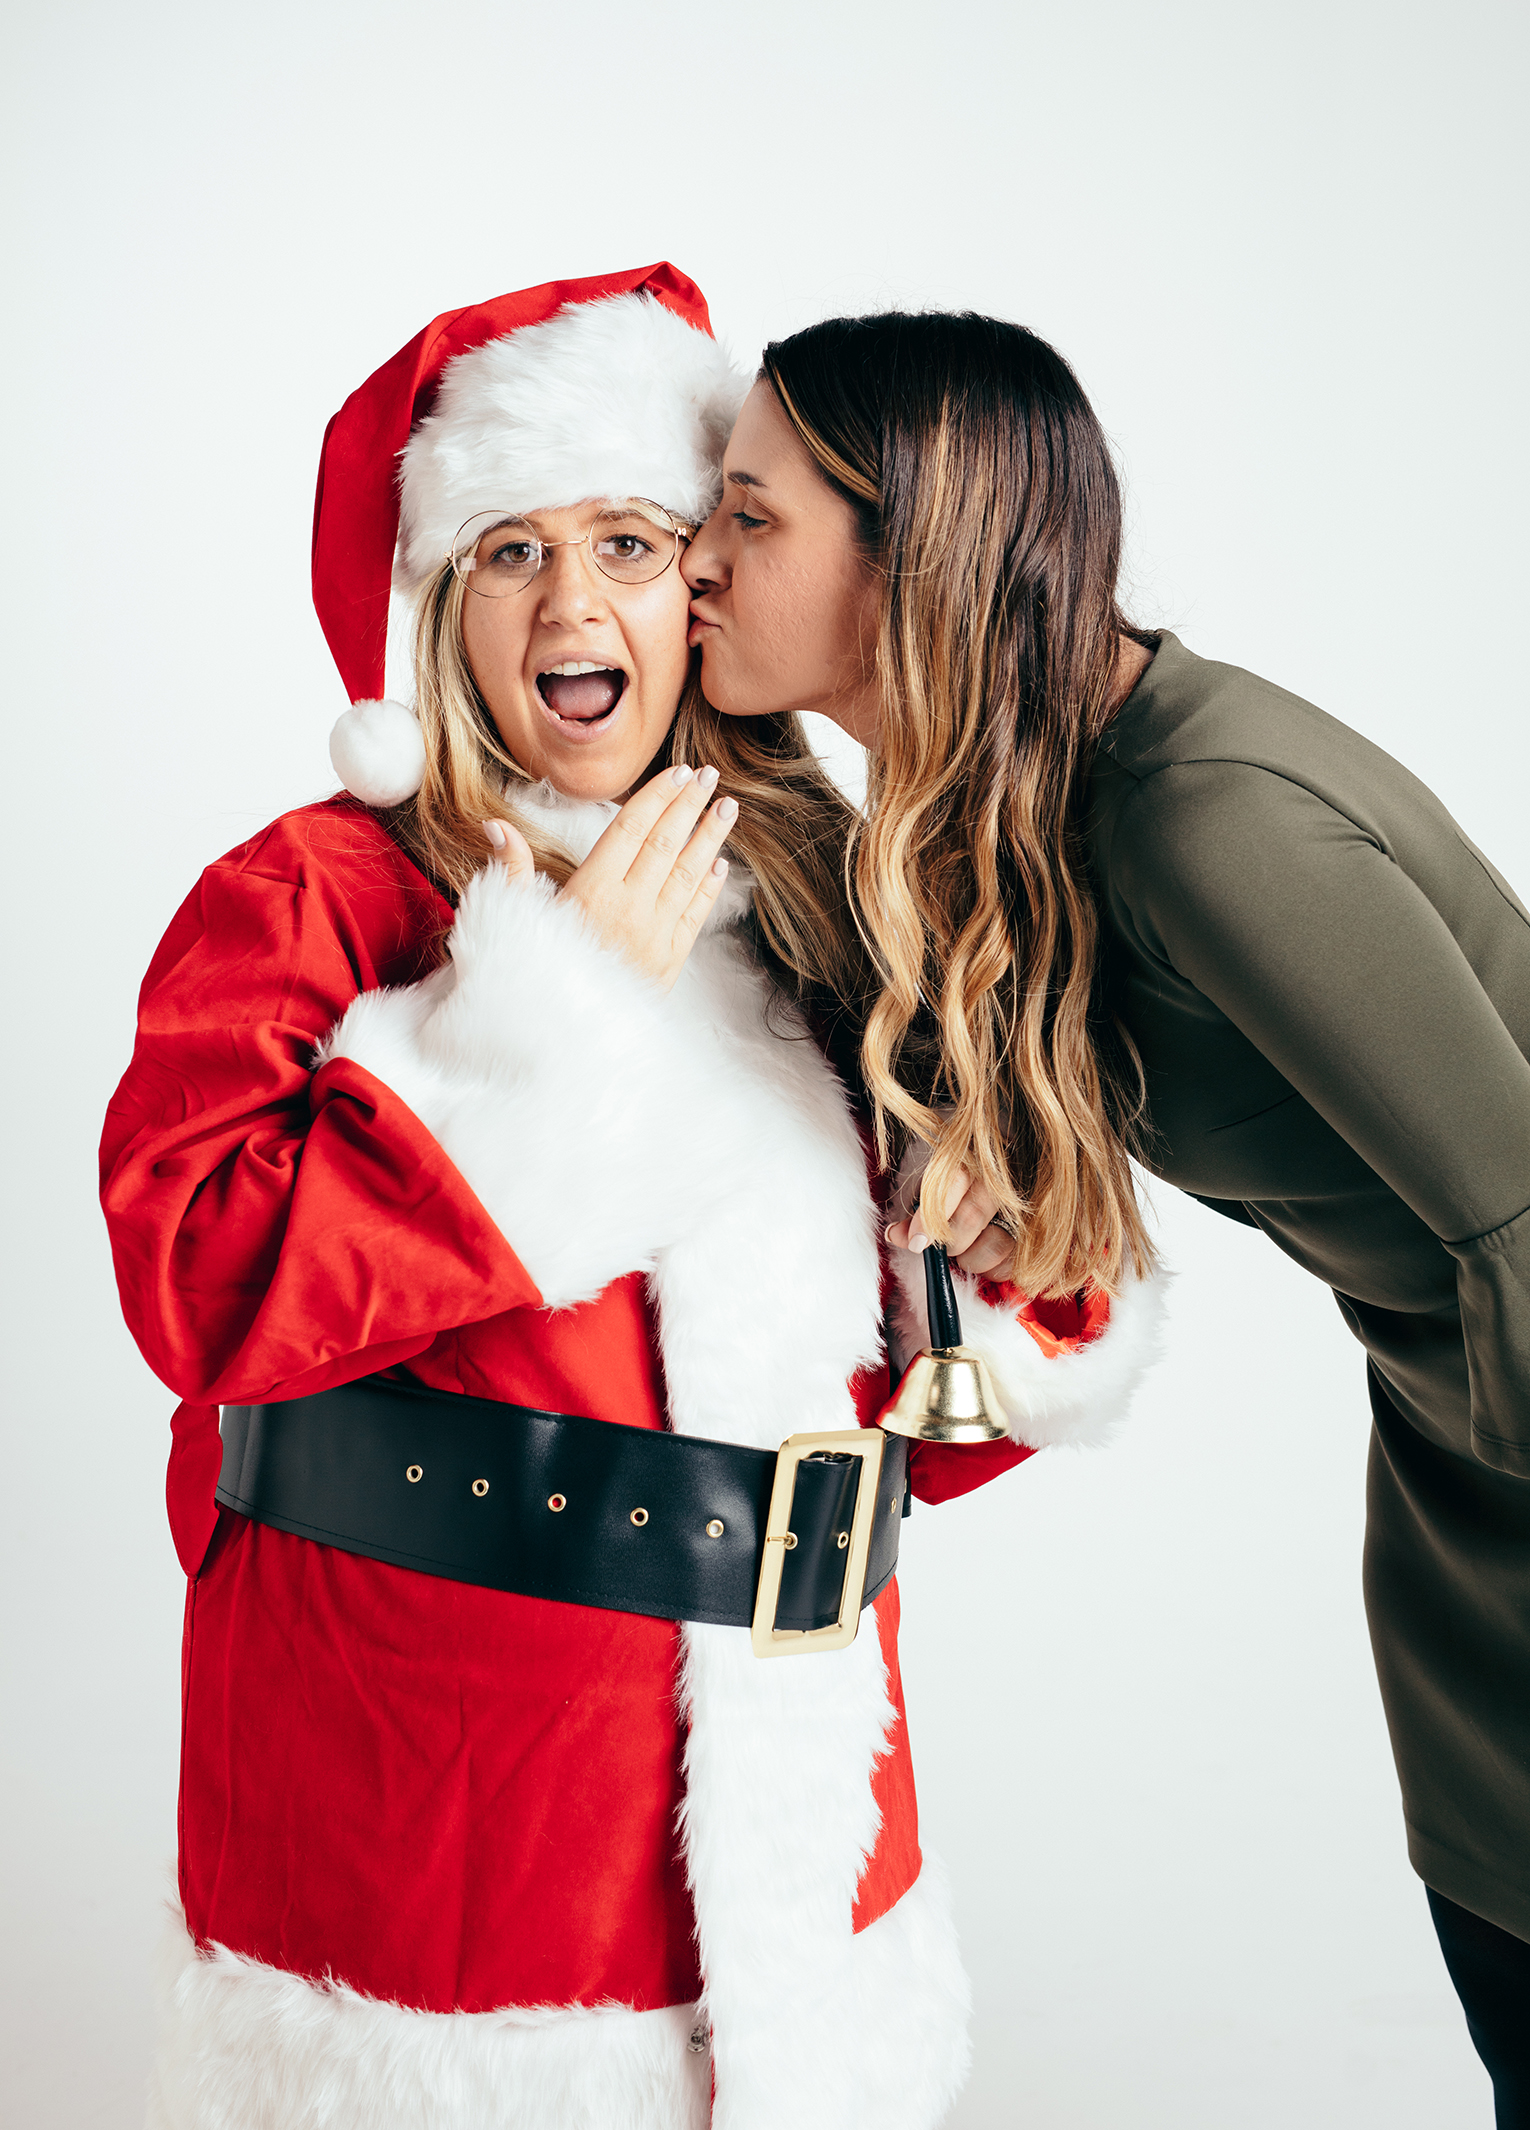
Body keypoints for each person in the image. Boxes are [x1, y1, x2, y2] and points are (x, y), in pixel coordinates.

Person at [100, 268, 1162, 2130]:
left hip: (800, 1850)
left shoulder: (824, 897)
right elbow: (205, 1284)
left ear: (703, 587)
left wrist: (1008, 1262)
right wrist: (551, 1018)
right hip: (439, 1880)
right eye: (510, 551)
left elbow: (913, 1423)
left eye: (627, 541)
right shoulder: (317, 897)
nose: (571, 604)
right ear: (443, 605)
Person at [681, 309, 1530, 2125]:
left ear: (913, 553)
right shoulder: (1022, 812)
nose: (695, 560)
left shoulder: (1209, 815)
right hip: (1456, 1501)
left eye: (749, 515)